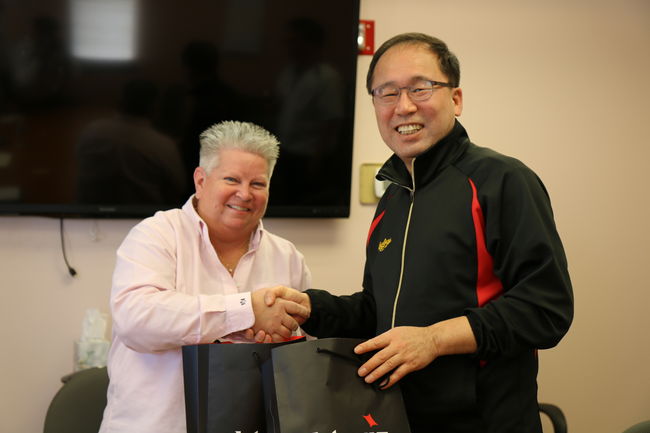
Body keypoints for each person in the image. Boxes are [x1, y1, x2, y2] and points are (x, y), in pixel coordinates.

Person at [267, 33, 574, 432]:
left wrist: (433, 340)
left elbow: (546, 308)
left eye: (420, 88)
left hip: (486, 422)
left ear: (456, 99)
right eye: (387, 93)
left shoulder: (503, 180)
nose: (404, 106)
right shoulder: (393, 198)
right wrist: (311, 308)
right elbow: (379, 312)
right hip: (395, 418)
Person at [99, 120, 311, 433]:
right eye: (232, 179)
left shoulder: (288, 256)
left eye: (258, 184)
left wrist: (283, 335)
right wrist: (247, 311)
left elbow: (302, 356)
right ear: (201, 180)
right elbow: (136, 320)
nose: (245, 194)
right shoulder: (156, 235)